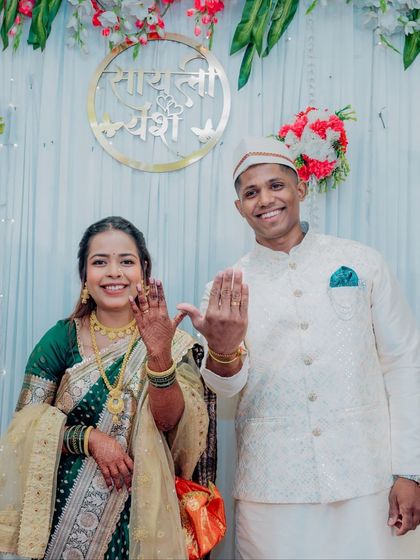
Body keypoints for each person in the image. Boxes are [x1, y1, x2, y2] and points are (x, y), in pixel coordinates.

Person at [178, 136, 420, 559]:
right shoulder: (226, 290)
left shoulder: (362, 262)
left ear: (301, 189)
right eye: (251, 192)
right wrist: (221, 351)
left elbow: (404, 365)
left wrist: (410, 470)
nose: (265, 199)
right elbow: (226, 396)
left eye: (276, 185)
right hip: (273, 492)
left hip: (368, 478)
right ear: (239, 207)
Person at [0, 216, 213, 560]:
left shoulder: (171, 343)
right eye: (100, 262)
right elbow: (25, 427)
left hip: (141, 520)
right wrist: (90, 439)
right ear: (85, 275)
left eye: (126, 262)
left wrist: (159, 357)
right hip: (61, 517)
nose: (114, 272)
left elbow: (171, 424)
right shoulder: (61, 338)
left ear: (143, 270)